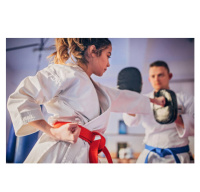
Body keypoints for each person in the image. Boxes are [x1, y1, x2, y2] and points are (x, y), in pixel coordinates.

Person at [7, 39, 165, 163]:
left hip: (85, 154)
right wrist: (52, 131)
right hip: (60, 152)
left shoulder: (99, 90)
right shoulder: (64, 72)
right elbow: (21, 97)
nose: (109, 63)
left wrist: (154, 102)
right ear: (93, 52)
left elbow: (124, 97)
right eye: (107, 55)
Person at [123, 60, 194, 163]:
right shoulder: (143, 99)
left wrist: (174, 116)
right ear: (149, 79)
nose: (156, 79)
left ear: (169, 76)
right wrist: (130, 100)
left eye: (160, 75)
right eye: (153, 76)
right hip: (150, 155)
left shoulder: (185, 98)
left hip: (178, 156)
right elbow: (131, 122)